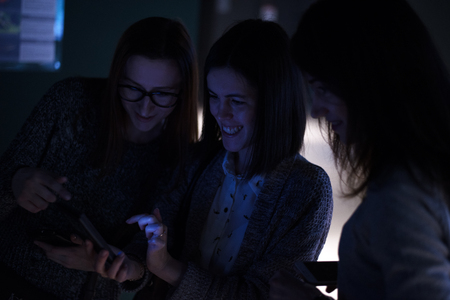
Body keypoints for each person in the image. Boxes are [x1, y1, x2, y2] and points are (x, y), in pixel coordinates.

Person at [98, 19, 333, 299]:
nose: (220, 113)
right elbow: (155, 239)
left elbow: (264, 295)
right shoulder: (199, 160)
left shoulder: (307, 189)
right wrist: (132, 265)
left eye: (236, 101)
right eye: (213, 96)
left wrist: (168, 267)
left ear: (274, 102)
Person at [0, 17, 198, 299]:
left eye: (162, 94)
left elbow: (146, 268)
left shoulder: (180, 160)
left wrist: (111, 265)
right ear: (117, 76)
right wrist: (15, 182)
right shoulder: (70, 101)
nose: (145, 107)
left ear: (182, 92)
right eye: (132, 88)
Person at [269, 0, 450, 299]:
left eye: (323, 88)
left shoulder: (399, 199)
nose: (316, 111)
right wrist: (361, 272)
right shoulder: (425, 172)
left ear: (369, 80)